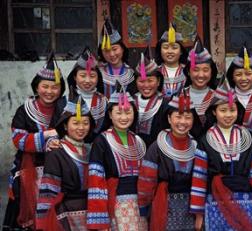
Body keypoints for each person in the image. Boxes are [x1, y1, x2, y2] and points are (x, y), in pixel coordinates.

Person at [3, 53, 65, 230]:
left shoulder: (65, 108)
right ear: (36, 87)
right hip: (29, 169)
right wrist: (47, 137)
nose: (50, 91)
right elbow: (18, 139)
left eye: (55, 87)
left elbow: (72, 133)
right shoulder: (24, 110)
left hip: (57, 168)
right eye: (45, 86)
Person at [199, 79, 252, 230]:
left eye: (232, 110)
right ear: (213, 111)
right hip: (215, 202)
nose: (228, 115)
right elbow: (199, 177)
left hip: (245, 202)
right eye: (223, 110)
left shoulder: (248, 138)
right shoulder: (205, 140)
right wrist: (198, 213)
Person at [137, 92, 207, 231]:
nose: (182, 122)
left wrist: (199, 213)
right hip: (164, 207)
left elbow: (203, 182)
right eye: (178, 117)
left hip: (190, 209)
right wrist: (144, 210)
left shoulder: (198, 147)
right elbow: (146, 182)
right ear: (169, 118)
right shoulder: (157, 147)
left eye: (188, 117)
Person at [87, 90, 147, 230]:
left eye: (128, 112)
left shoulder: (138, 141)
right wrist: (100, 219)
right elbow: (96, 181)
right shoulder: (101, 141)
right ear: (110, 114)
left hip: (140, 207)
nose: (124, 117)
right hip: (116, 206)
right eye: (118, 113)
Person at [36, 95, 94, 230]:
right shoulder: (56, 152)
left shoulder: (92, 150)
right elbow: (48, 193)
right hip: (66, 216)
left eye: (86, 123)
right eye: (76, 123)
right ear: (65, 125)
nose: (81, 128)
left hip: (92, 213)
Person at [50, 47, 107, 140]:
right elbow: (55, 129)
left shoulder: (104, 102)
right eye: (82, 76)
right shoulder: (63, 102)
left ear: (98, 78)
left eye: (92, 76)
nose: (87, 81)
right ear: (75, 77)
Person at [183, 37, 218, 139]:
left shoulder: (218, 98)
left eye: (206, 70)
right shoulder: (179, 96)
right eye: (195, 70)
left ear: (212, 72)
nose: (201, 75)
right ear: (188, 72)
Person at [134, 46, 168, 147]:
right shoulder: (131, 102)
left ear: (158, 82)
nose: (146, 85)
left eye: (150, 80)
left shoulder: (165, 104)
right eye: (141, 81)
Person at [226, 46, 252, 131]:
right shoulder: (225, 99)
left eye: (248, 74)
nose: (243, 78)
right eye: (238, 74)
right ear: (232, 77)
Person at [98, 18, 136, 98]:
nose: (112, 54)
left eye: (115, 49)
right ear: (101, 52)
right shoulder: (97, 73)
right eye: (106, 51)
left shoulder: (133, 72)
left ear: (122, 48)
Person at [155, 23, 188, 99]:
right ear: (160, 50)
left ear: (181, 51)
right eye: (165, 47)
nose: (170, 51)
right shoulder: (155, 71)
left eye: (174, 48)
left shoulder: (188, 72)